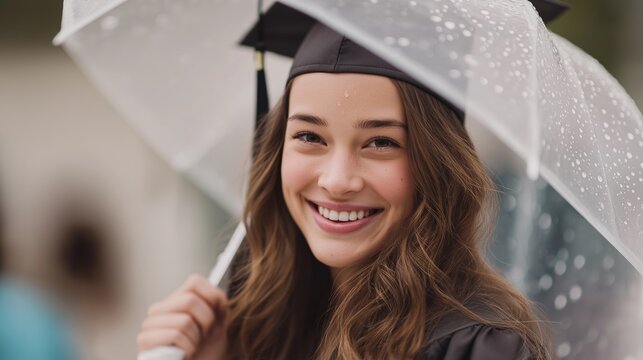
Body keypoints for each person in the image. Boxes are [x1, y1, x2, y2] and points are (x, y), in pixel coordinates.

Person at [137, 22, 551, 360]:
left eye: (381, 142)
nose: (336, 181)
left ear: (437, 163)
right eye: (309, 136)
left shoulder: (477, 347)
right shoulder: (262, 328)